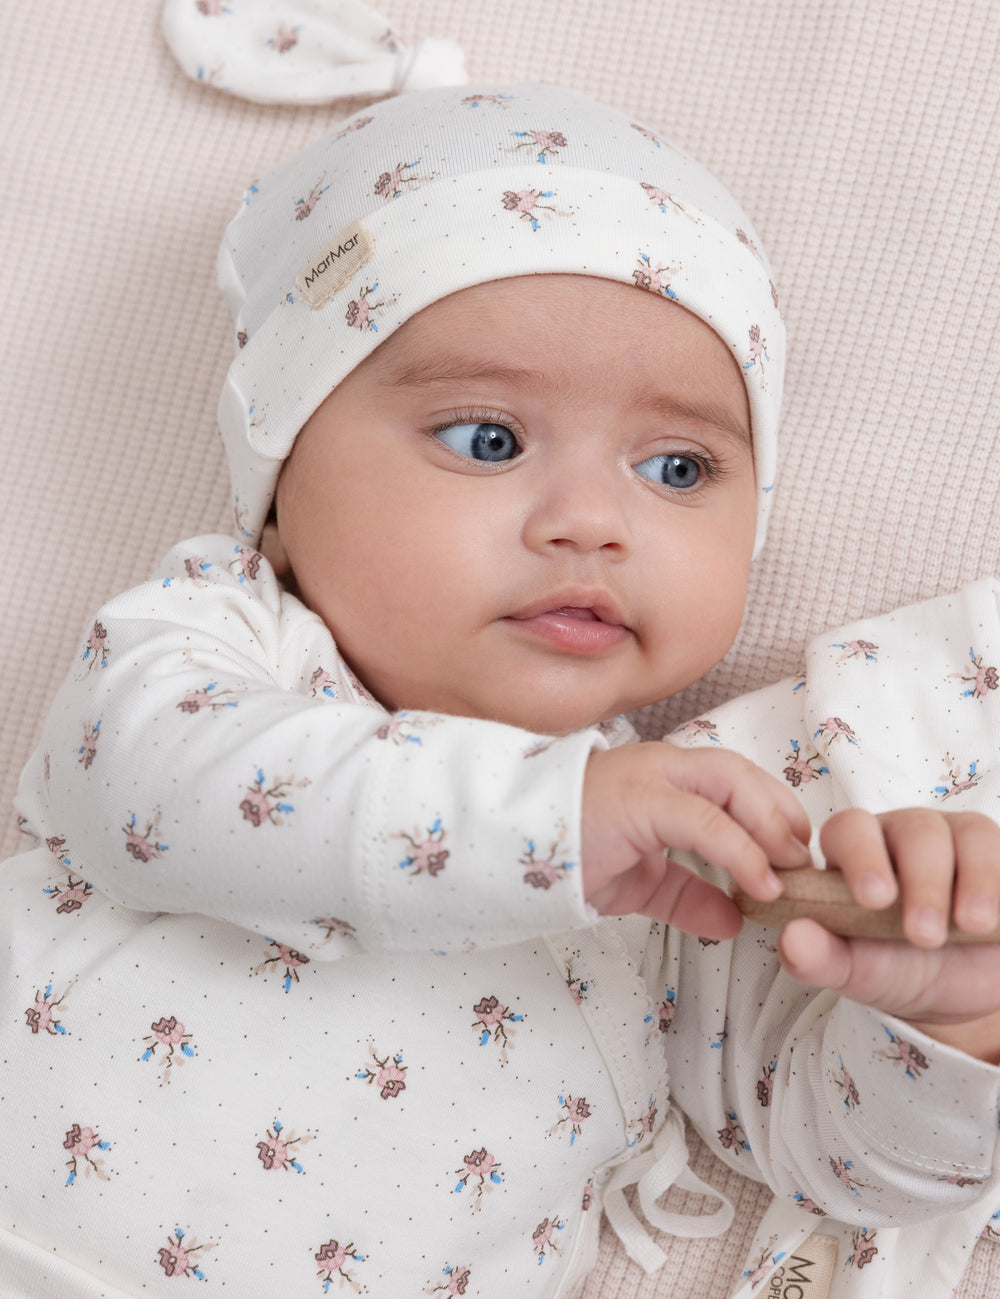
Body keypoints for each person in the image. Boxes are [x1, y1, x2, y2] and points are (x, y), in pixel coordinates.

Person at [2, 83, 999, 1298]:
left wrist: (936, 1021)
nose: (591, 521)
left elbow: (823, 1164)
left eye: (675, 467)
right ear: (279, 475)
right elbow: (147, 798)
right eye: (487, 439)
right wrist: (556, 823)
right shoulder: (217, 645)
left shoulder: (680, 864)